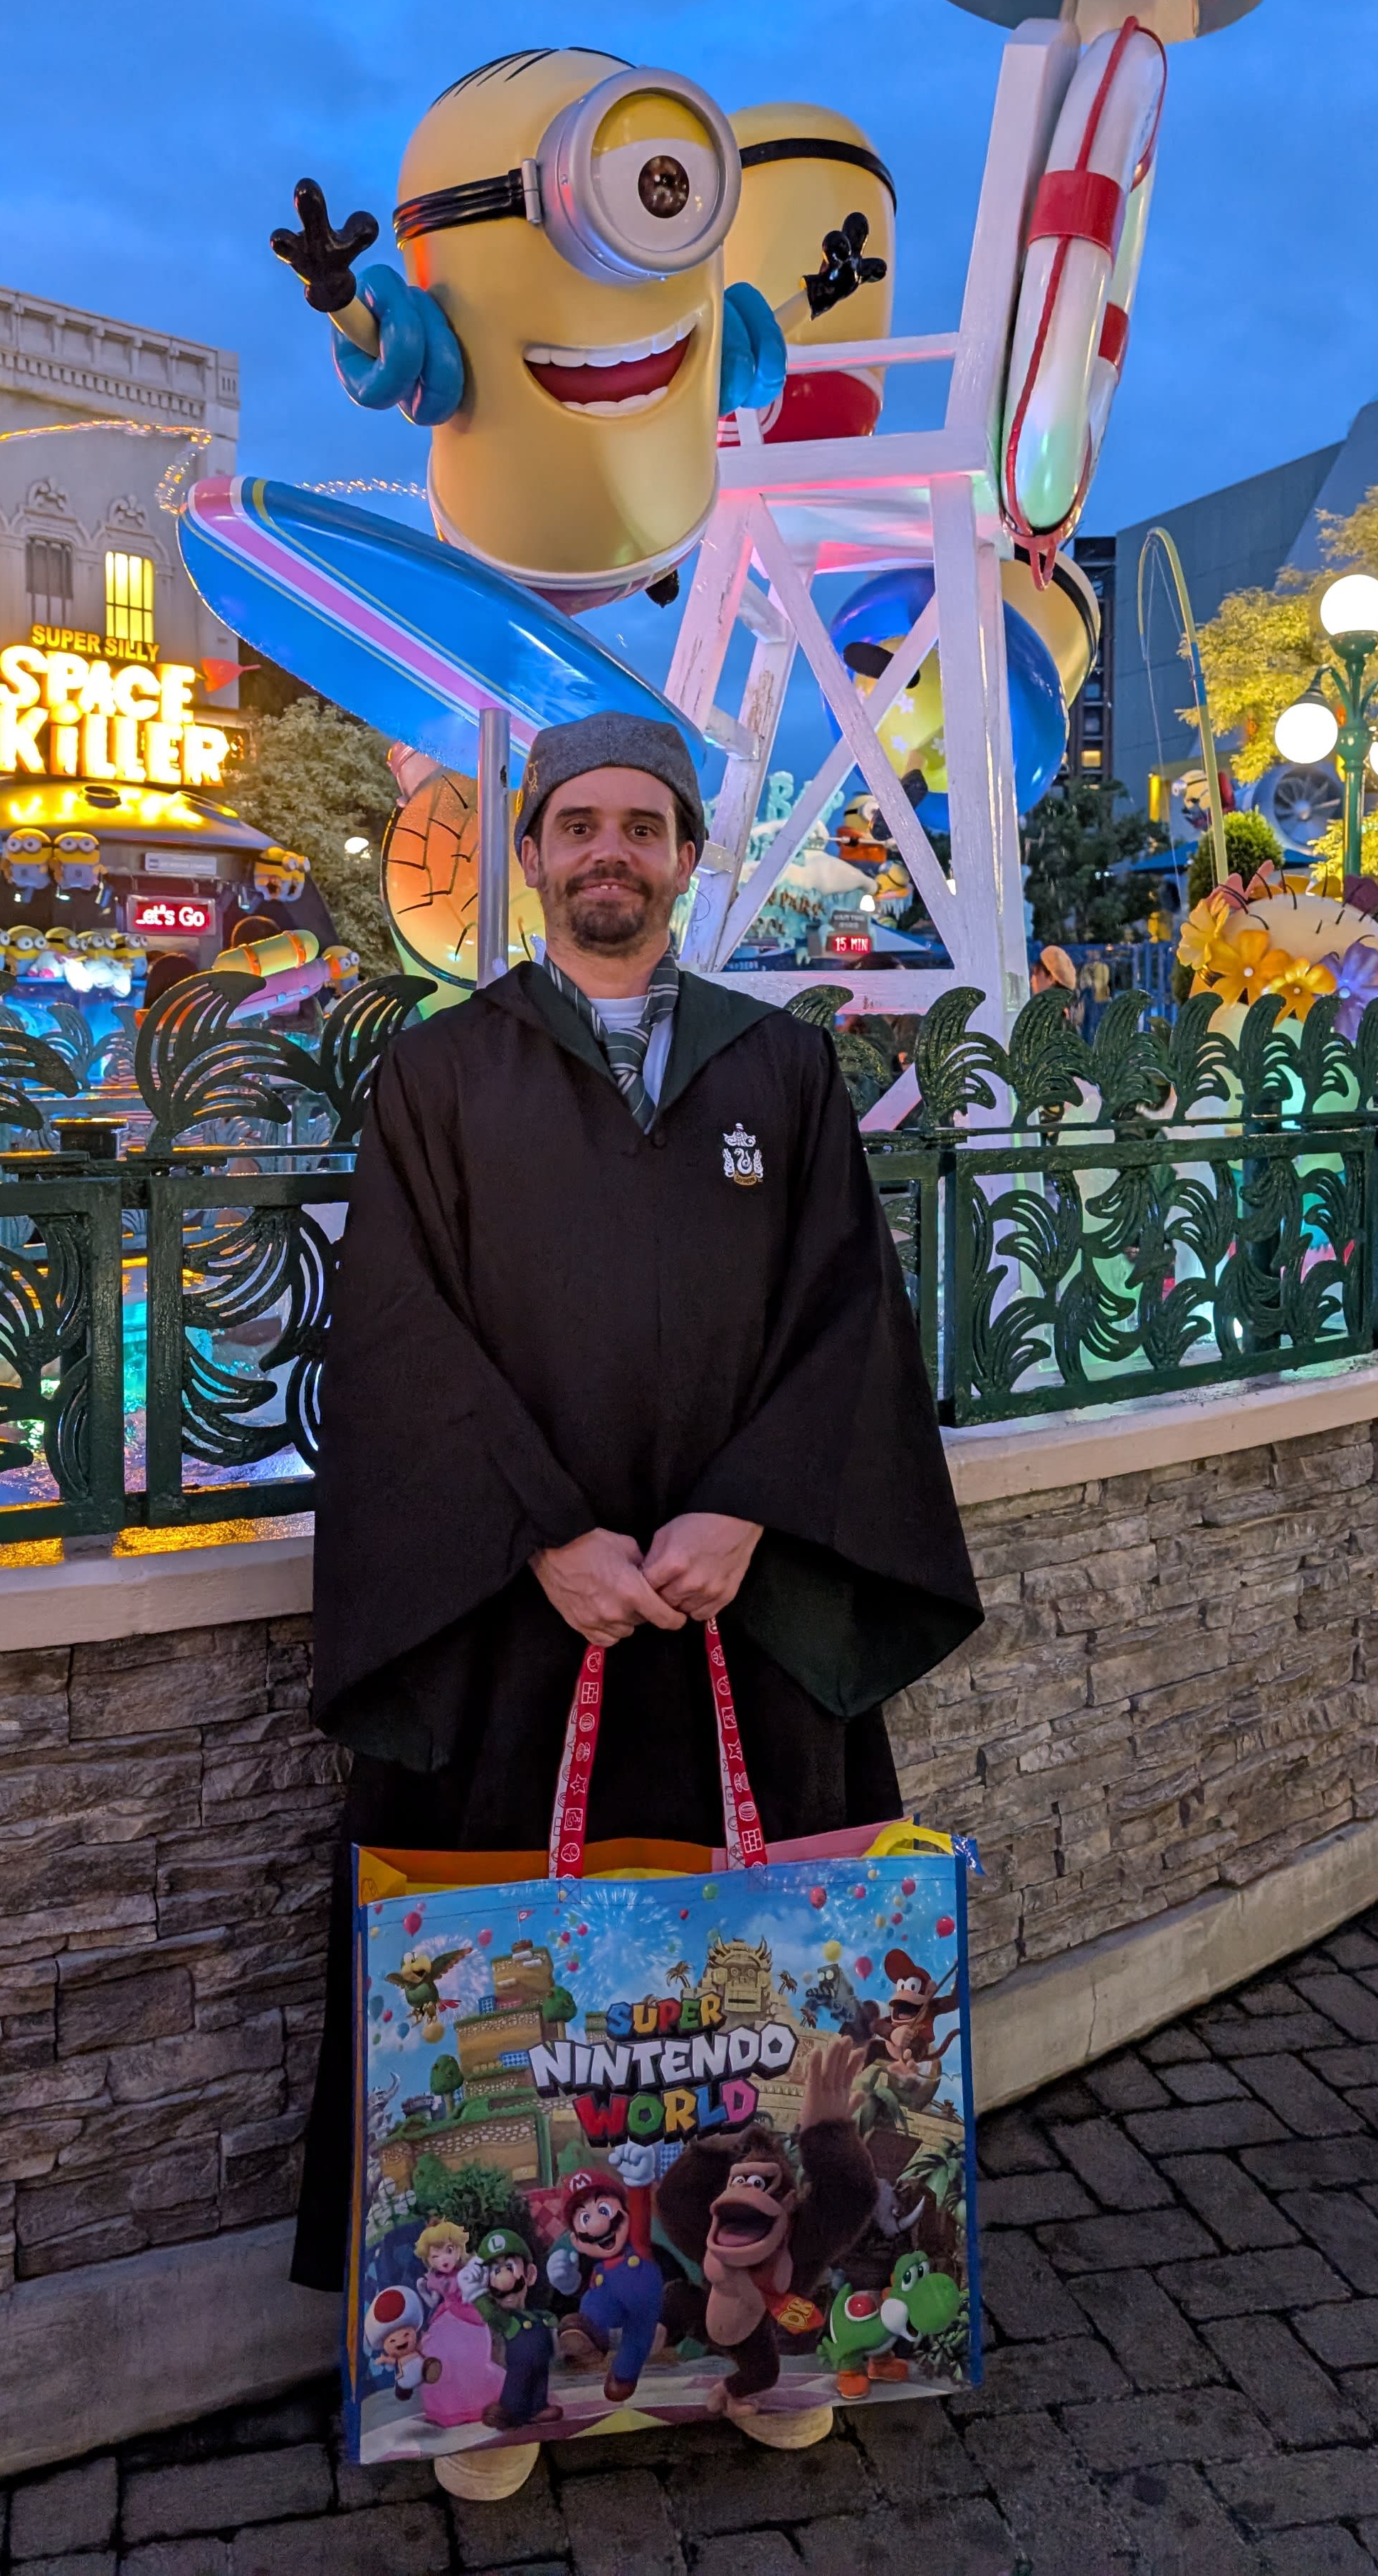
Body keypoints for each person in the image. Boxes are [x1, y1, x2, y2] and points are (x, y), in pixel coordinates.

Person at [293, 710, 982, 2485]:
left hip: (739, 1611)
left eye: (643, 826)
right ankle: (497, 2363)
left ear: (688, 856)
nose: (610, 852)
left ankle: (770, 2343)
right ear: (529, 857)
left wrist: (751, 1511)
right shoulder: (443, 1076)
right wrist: (540, 1539)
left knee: (771, 1972)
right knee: (515, 1957)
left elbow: (850, 1319)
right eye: (576, 826)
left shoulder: (782, 1070)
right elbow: (397, 1338)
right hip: (526, 1620)